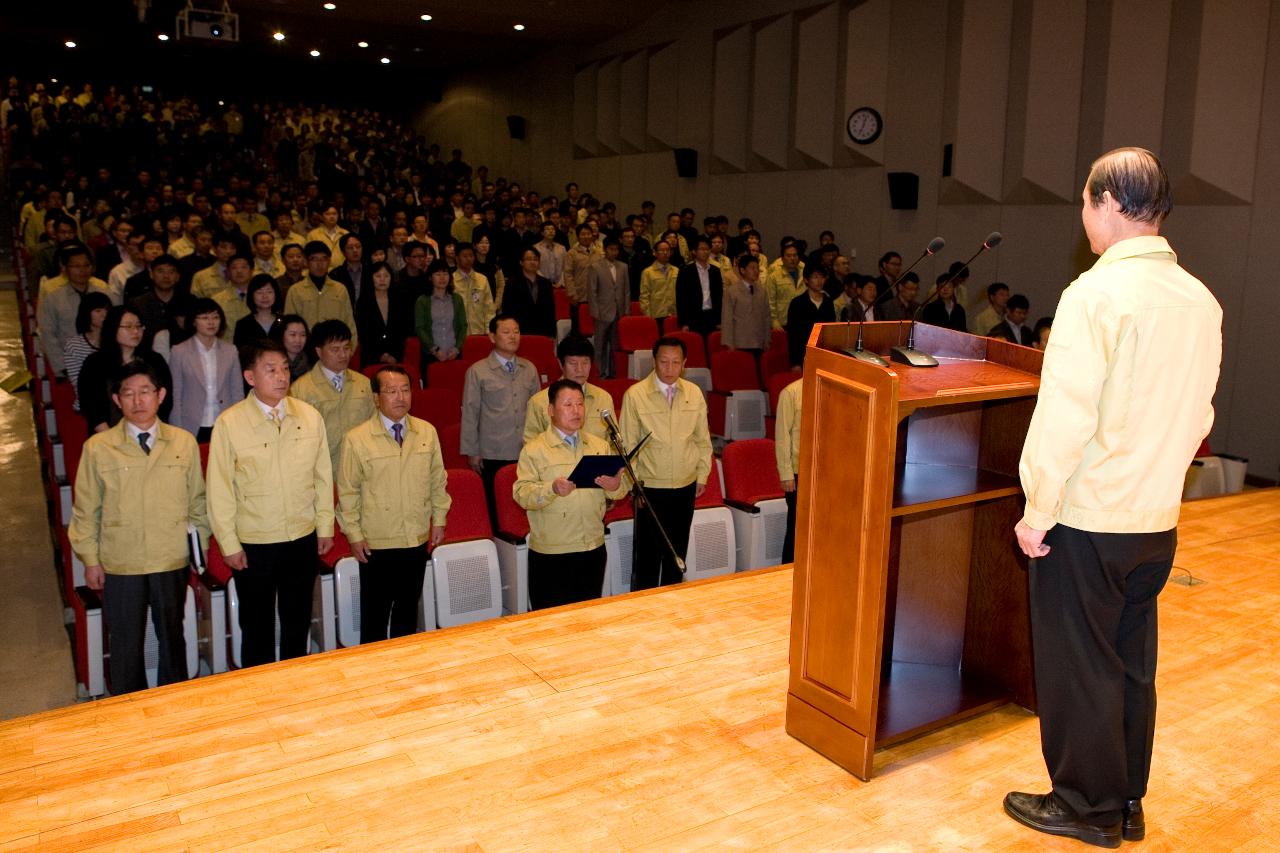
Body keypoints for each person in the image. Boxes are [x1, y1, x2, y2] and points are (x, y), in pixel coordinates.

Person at [1005, 148, 1222, 849]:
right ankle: (1126, 798)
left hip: (1089, 516)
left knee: (1081, 665)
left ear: (1105, 203)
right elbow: (1200, 419)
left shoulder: (1095, 295)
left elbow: (1066, 414)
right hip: (1155, 520)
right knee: (1130, 664)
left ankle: (1084, 803)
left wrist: (1038, 508)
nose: (1082, 216)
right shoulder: (1200, 300)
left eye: (1083, 202)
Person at [67, 361, 209, 694]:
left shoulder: (183, 442)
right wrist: (90, 560)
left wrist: (196, 550)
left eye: (145, 392)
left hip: (169, 558)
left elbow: (198, 504)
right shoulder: (98, 448)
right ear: (116, 400)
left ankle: (172, 707)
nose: (137, 400)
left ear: (161, 395)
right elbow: (86, 509)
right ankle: (128, 715)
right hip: (121, 562)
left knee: (173, 639)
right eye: (128, 394)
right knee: (126, 645)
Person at [206, 339, 335, 668]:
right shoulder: (230, 423)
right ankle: (257, 696)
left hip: (301, 537)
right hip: (254, 542)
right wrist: (229, 543)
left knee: (297, 621)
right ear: (250, 377)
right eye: (271, 369)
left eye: (285, 369)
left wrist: (325, 526)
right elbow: (219, 489)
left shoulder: (308, 416)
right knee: (257, 626)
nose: (281, 376)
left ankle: (294, 693)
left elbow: (322, 476)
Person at [336, 366, 451, 643]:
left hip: (415, 537)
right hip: (376, 542)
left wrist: (440, 519)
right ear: (376, 398)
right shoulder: (357, 438)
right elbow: (347, 492)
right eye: (391, 391)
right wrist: (354, 534)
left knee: (407, 614)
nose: (400, 397)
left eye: (405, 390)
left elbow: (438, 481)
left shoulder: (426, 431)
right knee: (374, 618)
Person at [515, 379, 629, 610]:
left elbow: (621, 489)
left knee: (587, 621)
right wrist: (552, 489)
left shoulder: (599, 445)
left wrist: (615, 485)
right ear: (550, 411)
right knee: (551, 625)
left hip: (592, 548)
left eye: (580, 404)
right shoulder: (534, 450)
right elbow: (521, 493)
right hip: (553, 552)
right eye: (568, 405)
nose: (576, 410)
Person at [619, 336, 712, 589]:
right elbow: (627, 447)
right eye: (664, 362)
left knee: (676, 554)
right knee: (647, 559)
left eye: (675, 362)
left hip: (685, 486)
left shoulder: (693, 393)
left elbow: (703, 440)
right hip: (650, 489)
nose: (669, 368)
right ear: (654, 362)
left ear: (684, 364)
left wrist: (701, 476)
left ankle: (673, 608)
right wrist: (634, 487)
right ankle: (644, 614)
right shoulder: (636, 395)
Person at [461, 314, 540, 528]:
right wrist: (472, 450)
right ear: (492, 336)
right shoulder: (478, 371)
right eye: (506, 332)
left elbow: (538, 411)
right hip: (493, 450)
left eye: (516, 331)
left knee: (527, 507)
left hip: (525, 449)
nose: (513, 336)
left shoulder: (529, 369)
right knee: (497, 509)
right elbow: (470, 412)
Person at [289, 320, 375, 472]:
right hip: (322, 470)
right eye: (335, 349)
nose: (343, 355)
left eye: (346, 348)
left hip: (361, 467)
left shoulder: (363, 383)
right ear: (319, 351)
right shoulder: (300, 389)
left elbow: (375, 424)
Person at [78, 305, 173, 433]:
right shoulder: (94, 363)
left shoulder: (154, 360)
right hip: (107, 436)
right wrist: (112, 439)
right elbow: (91, 407)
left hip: (151, 433)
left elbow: (165, 400)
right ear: (112, 328)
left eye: (139, 326)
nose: (135, 331)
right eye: (128, 326)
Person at [169, 299, 243, 442]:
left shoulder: (230, 350)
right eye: (204, 318)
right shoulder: (179, 351)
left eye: (215, 317)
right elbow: (176, 394)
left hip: (224, 421)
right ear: (193, 321)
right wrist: (176, 428)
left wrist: (238, 423)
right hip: (190, 423)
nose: (211, 322)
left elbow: (237, 392)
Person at [39, 243, 117, 377]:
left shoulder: (104, 292)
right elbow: (48, 334)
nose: (82, 270)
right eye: (76, 266)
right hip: (69, 362)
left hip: (104, 360)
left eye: (86, 265)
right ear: (64, 268)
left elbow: (115, 323)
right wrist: (62, 367)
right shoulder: (54, 298)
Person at [523, 336, 615, 443]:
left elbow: (614, 445)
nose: (580, 369)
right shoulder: (539, 402)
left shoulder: (603, 398)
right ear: (560, 364)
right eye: (573, 363)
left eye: (585, 363)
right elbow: (531, 446)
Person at [283, 240, 359, 350]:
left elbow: (350, 324)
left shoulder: (340, 289)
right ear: (306, 262)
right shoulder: (295, 291)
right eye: (314, 259)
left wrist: (348, 352)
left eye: (324, 259)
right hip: (305, 352)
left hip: (335, 351)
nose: (320, 264)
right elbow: (289, 326)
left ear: (329, 261)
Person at [355, 261, 413, 367]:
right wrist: (380, 355)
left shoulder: (399, 299)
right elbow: (363, 331)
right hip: (371, 357)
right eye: (378, 276)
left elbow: (403, 329)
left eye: (386, 276)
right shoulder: (364, 301)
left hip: (395, 356)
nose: (382, 280)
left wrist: (394, 355)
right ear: (371, 278)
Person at [587, 237, 629, 378]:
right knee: (600, 346)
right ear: (605, 250)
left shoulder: (623, 267)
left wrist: (626, 311)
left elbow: (626, 291)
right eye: (611, 249)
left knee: (616, 346)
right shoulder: (595, 267)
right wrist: (595, 311)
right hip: (602, 312)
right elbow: (591, 291)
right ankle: (598, 373)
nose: (614, 252)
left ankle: (613, 373)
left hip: (619, 312)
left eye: (616, 249)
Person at [415, 259, 467, 369]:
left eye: (445, 274)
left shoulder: (457, 299)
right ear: (430, 277)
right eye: (438, 274)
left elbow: (463, 326)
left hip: (454, 354)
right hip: (431, 355)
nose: (442, 278)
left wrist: (456, 349)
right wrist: (435, 350)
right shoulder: (423, 300)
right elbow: (420, 328)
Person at [64, 291, 113, 408]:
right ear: (87, 314)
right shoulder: (74, 345)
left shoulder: (117, 340)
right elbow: (78, 383)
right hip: (88, 405)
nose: (104, 315)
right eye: (98, 311)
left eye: (107, 310)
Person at [774, 377, 803, 564]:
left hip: (826, 471)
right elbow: (782, 436)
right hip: (799, 471)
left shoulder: (834, 389)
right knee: (795, 529)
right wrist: (786, 473)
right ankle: (788, 572)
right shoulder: (791, 393)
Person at [720, 253, 771, 359]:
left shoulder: (762, 291)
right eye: (752, 268)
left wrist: (767, 340)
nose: (756, 271)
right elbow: (727, 319)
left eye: (757, 267)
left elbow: (766, 317)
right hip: (740, 342)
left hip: (758, 342)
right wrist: (729, 343)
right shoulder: (732, 291)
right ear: (742, 270)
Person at [503, 247, 558, 340]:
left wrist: (552, 333)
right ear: (521, 262)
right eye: (529, 259)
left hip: (543, 332)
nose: (533, 262)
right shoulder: (512, 283)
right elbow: (507, 309)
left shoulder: (546, 284)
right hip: (520, 332)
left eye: (535, 259)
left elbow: (551, 310)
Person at [786, 266, 835, 369]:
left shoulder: (828, 302)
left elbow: (832, 330)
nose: (819, 281)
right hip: (804, 355)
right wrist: (795, 363)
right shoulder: (797, 303)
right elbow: (793, 335)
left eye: (822, 277)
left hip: (824, 354)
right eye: (815, 277)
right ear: (806, 280)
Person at [676, 236, 724, 338]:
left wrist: (719, 320)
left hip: (712, 316)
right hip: (694, 317)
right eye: (702, 249)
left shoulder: (715, 271)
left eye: (707, 249)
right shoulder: (686, 271)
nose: (705, 252)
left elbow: (719, 297)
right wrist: (684, 323)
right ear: (694, 251)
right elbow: (681, 298)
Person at [563, 223, 603, 332]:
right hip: (579, 296)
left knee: (596, 326)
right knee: (578, 326)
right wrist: (572, 294)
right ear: (578, 236)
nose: (586, 237)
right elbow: (568, 274)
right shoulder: (572, 253)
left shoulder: (598, 253)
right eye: (583, 234)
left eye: (588, 234)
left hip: (596, 296)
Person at [452, 242, 495, 336]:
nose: (468, 259)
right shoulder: (451, 280)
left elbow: (489, 309)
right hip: (458, 334)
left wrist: (489, 331)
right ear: (457, 258)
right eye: (464, 256)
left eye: (471, 256)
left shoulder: (482, 279)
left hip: (479, 332)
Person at [233, 275, 283, 348]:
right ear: (251, 295)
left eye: (269, 292)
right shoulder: (243, 324)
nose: (265, 296)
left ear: (276, 294)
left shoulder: (284, 322)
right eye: (259, 292)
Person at [766, 242, 805, 330]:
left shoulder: (805, 274)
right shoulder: (774, 277)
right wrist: (774, 322)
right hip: (783, 323)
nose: (792, 258)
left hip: (803, 321)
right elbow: (770, 302)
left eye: (795, 255)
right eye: (789, 256)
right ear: (782, 259)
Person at [639, 240, 678, 322]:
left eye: (668, 250)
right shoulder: (647, 272)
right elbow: (644, 297)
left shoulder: (676, 270)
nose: (665, 253)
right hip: (656, 315)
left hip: (673, 314)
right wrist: (648, 317)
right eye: (662, 250)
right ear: (655, 253)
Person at [271, 314, 313, 381]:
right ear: (282, 335)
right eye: (293, 334)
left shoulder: (312, 363)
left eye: (303, 335)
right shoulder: (272, 363)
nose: (298, 340)